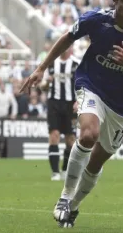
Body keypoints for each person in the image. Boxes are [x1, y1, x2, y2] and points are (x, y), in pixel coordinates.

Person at [20, 0, 123, 228]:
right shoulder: (97, 19)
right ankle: (65, 197)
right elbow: (68, 37)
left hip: (122, 106)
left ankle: (74, 207)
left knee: (97, 161)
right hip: (91, 85)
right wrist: (41, 68)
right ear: (115, 1)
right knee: (88, 134)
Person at [40, 46, 79, 181]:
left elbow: (82, 85)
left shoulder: (76, 64)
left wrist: (79, 101)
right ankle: (55, 172)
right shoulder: (51, 64)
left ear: (71, 48)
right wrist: (47, 83)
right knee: (54, 135)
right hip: (54, 103)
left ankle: (64, 170)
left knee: (70, 139)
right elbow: (42, 87)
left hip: (71, 104)